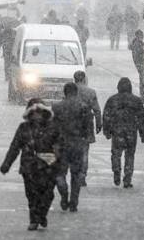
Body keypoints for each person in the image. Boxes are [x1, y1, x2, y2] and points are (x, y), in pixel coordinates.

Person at [0, 99, 60, 231]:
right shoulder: (23, 128)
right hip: (29, 167)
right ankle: (34, 219)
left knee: (47, 194)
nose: (37, 115)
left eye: (39, 112)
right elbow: (15, 147)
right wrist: (6, 164)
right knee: (32, 195)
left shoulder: (53, 128)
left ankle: (42, 214)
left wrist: (60, 163)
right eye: (34, 112)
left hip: (48, 167)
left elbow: (60, 147)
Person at [52, 82, 92, 212]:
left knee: (59, 173)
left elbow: (52, 128)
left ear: (65, 92)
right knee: (76, 174)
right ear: (76, 92)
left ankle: (64, 194)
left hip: (61, 145)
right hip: (77, 144)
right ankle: (74, 201)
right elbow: (87, 127)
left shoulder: (57, 107)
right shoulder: (84, 107)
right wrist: (85, 139)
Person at [103, 78, 144, 188]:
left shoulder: (112, 100)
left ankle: (116, 171)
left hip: (117, 132)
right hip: (131, 132)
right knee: (130, 155)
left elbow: (106, 117)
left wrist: (107, 131)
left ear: (118, 87)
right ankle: (127, 179)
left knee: (116, 154)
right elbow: (142, 118)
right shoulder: (136, 101)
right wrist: (143, 134)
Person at [74, 71, 101, 187]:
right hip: (86, 124)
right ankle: (82, 176)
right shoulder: (91, 92)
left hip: (72, 124)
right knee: (84, 152)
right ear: (84, 79)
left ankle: (75, 174)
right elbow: (97, 110)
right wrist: (99, 124)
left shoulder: (69, 91)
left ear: (74, 79)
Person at [129, 30, 144, 101]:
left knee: (142, 79)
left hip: (140, 64)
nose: (142, 37)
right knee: (143, 80)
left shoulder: (137, 43)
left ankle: (143, 96)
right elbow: (138, 55)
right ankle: (143, 97)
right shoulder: (138, 44)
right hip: (141, 64)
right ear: (138, 36)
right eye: (141, 35)